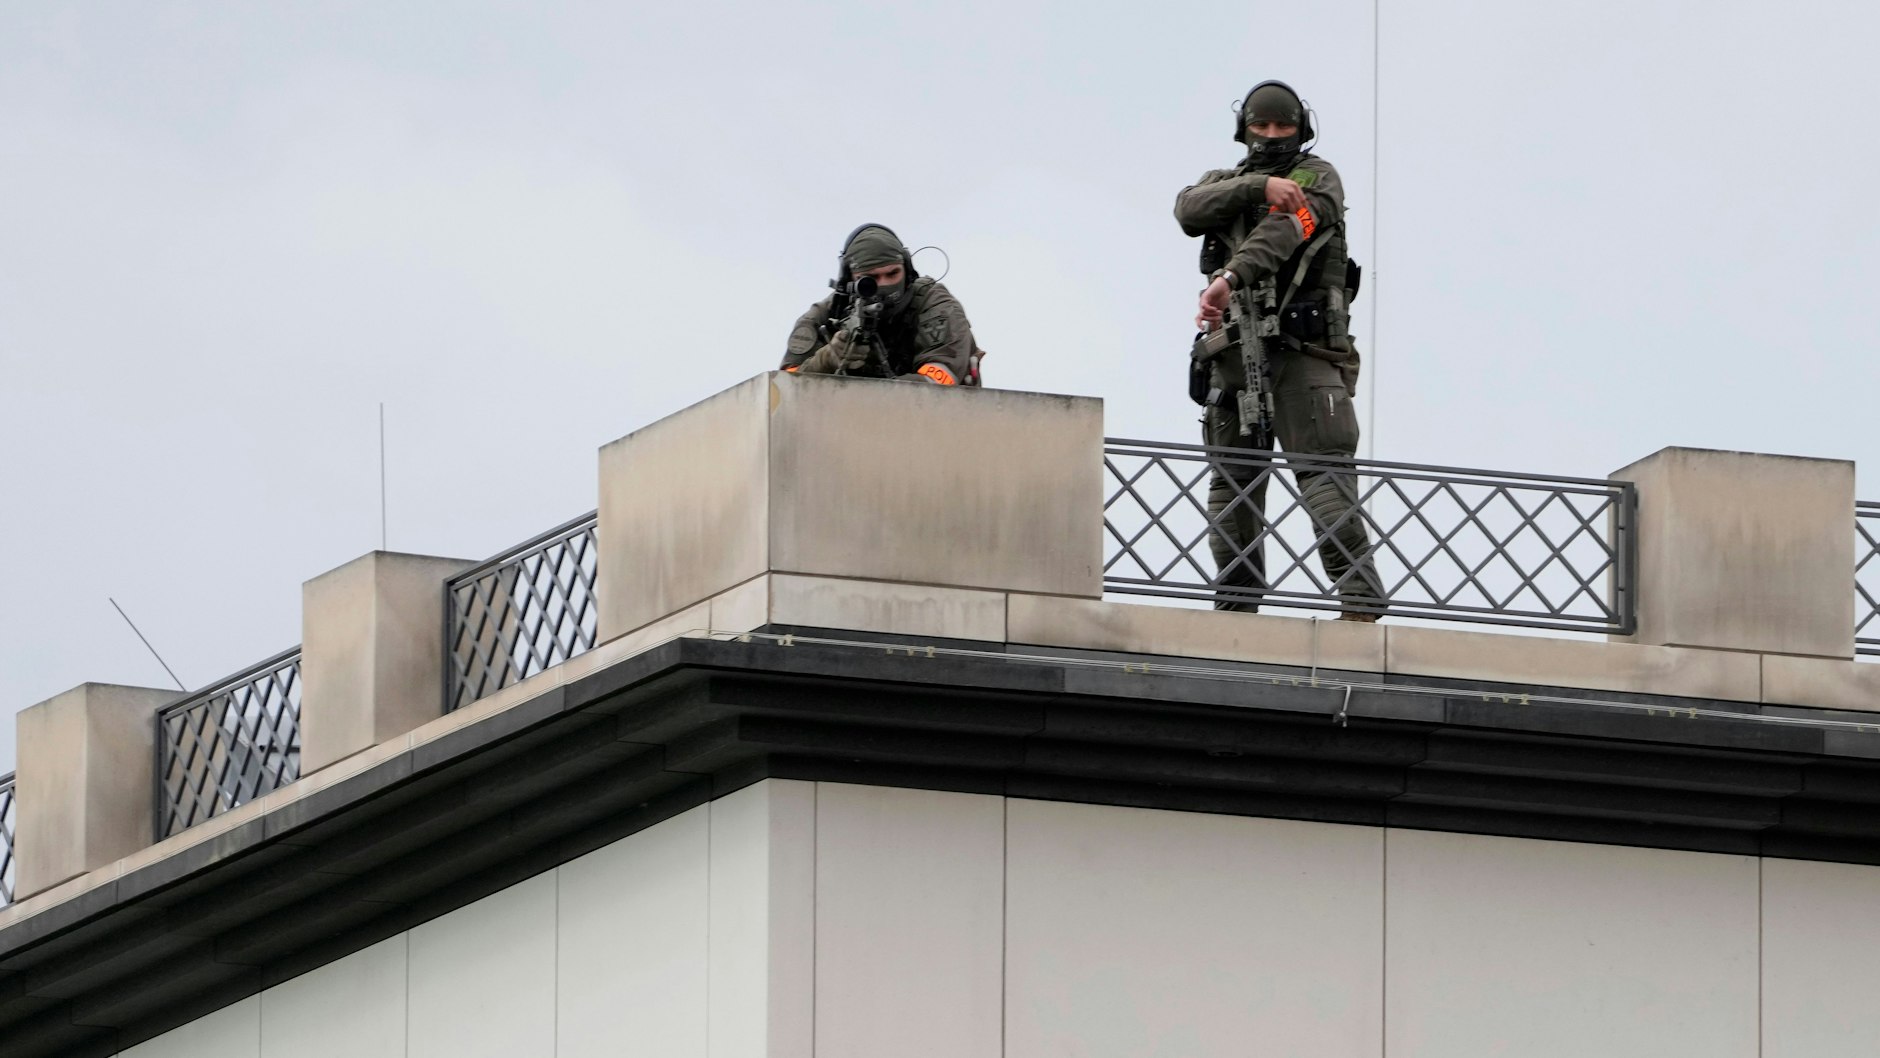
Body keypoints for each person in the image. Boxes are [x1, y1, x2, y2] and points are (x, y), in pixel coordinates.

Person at [1175, 80, 1384, 620]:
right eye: (1260, 126)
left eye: (1282, 126)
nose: (1270, 135)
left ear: (1301, 129)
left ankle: (1358, 601)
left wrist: (1228, 277)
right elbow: (1188, 209)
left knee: (1324, 479)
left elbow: (1287, 231)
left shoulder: (1319, 179)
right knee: (1231, 488)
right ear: (1244, 130)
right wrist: (1258, 186)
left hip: (1305, 355)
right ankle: (1237, 607)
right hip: (1233, 358)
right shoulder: (1228, 181)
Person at [781, 223, 979, 386]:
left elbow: (939, 381)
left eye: (893, 273)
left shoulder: (934, 304)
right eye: (871, 278)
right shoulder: (826, 314)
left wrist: (871, 392)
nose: (884, 284)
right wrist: (826, 360)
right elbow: (784, 386)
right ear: (850, 279)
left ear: (907, 269)